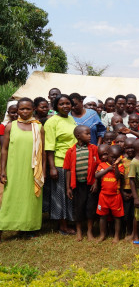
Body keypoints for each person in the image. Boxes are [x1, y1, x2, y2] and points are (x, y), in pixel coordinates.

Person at [0, 98, 44, 239]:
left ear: (33, 110)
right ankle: (7, 224)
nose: (25, 112)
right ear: (17, 110)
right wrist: (2, 169)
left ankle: (29, 228)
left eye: (28, 109)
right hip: (14, 167)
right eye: (22, 109)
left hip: (33, 169)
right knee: (12, 196)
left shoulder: (38, 127)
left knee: (31, 197)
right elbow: (4, 149)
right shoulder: (10, 126)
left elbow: (42, 152)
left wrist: (43, 170)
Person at [45, 94, 78, 234]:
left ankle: (70, 220)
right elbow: (49, 146)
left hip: (73, 162)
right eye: (61, 104)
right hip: (60, 162)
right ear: (55, 106)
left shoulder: (71, 118)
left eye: (68, 103)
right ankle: (62, 225)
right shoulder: (52, 122)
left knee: (70, 193)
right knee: (60, 194)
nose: (65, 106)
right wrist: (52, 167)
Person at [63, 125, 100, 241]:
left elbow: (98, 167)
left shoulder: (93, 149)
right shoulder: (71, 151)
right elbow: (68, 170)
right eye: (87, 134)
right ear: (78, 136)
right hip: (77, 185)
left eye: (90, 134)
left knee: (90, 208)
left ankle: (89, 232)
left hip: (91, 185)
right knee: (78, 208)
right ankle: (79, 231)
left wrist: (96, 183)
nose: (90, 136)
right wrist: (68, 187)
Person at [95, 145, 124, 243]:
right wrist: (108, 169)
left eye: (116, 157)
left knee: (117, 217)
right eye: (112, 157)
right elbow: (97, 175)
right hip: (103, 195)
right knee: (102, 217)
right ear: (108, 155)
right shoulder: (102, 165)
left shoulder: (120, 166)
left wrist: (115, 166)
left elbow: (118, 177)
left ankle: (116, 236)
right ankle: (102, 235)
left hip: (115, 196)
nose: (114, 159)